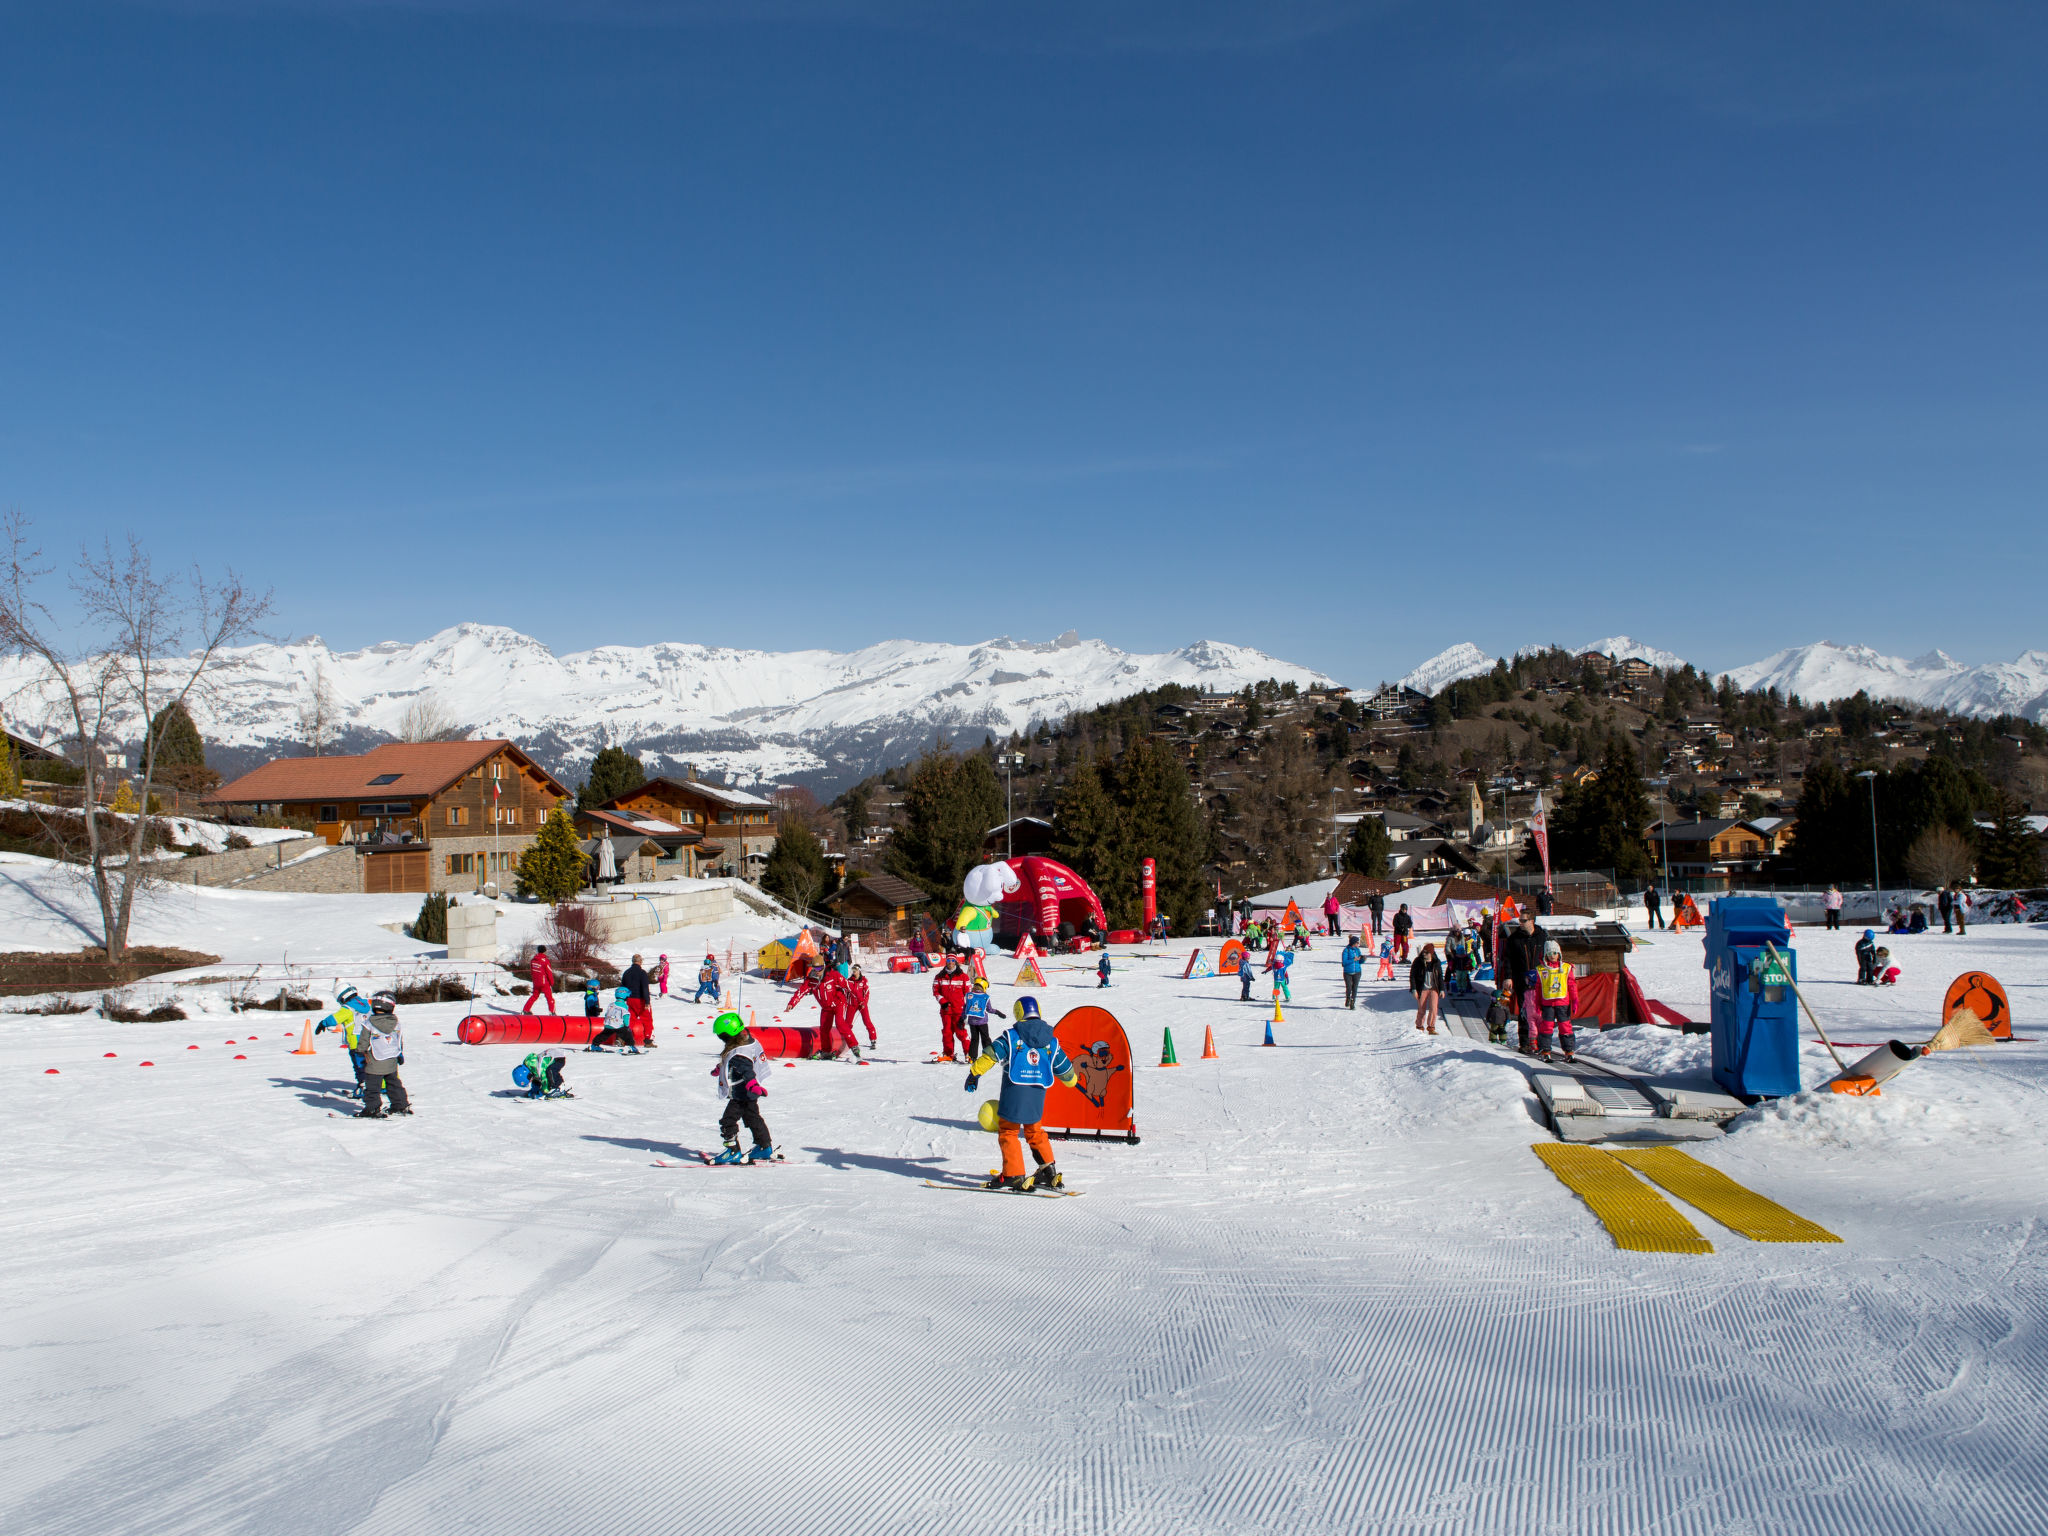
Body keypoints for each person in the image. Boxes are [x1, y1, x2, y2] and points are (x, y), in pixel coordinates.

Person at [965, 995, 1079, 1191]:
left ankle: (1013, 1174)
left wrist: (974, 1073)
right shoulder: (1051, 1041)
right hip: (1037, 1095)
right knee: (1035, 1131)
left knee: (1008, 1131)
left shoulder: (1011, 1036)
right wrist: (1073, 1080)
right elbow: (1067, 1073)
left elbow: (991, 1055)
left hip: (1014, 1093)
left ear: (1019, 1012)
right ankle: (1048, 1170)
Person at [709, 1011, 777, 1163]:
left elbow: (747, 1070)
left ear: (726, 1036)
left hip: (741, 1094)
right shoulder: (747, 1043)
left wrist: (752, 1084)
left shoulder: (739, 1053)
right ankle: (764, 1146)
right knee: (753, 1118)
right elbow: (729, 1062)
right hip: (749, 1094)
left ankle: (732, 1150)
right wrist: (719, 1070)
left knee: (728, 1120)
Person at [1501, 912, 1550, 1054]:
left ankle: (1541, 1043)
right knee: (1524, 1011)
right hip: (1522, 979)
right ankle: (1525, 1043)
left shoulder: (1542, 936)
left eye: (1523, 920)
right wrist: (1508, 977)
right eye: (1519, 920)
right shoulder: (1514, 938)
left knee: (1540, 1013)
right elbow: (1508, 959)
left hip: (1541, 980)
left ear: (1532, 921)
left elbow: (1549, 955)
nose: (1521, 923)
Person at [357, 991, 411, 1118]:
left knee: (372, 1087)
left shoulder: (369, 1024)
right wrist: (400, 1053)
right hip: (391, 1059)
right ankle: (400, 1104)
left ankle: (372, 1108)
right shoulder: (396, 1023)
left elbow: (363, 1042)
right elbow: (398, 1040)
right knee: (394, 1084)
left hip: (375, 1061)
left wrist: (360, 1054)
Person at [313, 984, 371, 1099]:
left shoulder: (348, 1008)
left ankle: (363, 1088)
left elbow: (334, 1019)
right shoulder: (367, 1004)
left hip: (356, 1043)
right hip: (371, 1041)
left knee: (360, 1067)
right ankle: (383, 1086)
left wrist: (323, 1023)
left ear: (343, 997)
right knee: (374, 1065)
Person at [1533, 941, 1578, 1063]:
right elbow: (1538, 987)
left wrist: (1575, 1000)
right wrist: (1537, 1004)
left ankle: (1569, 1051)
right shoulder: (1541, 969)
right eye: (1550, 953)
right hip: (1547, 1004)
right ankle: (1545, 1051)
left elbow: (1572, 985)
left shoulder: (1566, 968)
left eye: (1555, 953)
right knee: (1546, 1027)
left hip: (1562, 1003)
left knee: (1565, 1027)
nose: (1552, 955)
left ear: (1559, 954)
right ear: (1545, 955)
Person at [932, 955, 971, 1061]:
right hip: (946, 1011)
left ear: (956, 962)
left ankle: (969, 1053)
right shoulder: (939, 976)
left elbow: (969, 994)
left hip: (959, 1010)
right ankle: (949, 1054)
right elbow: (935, 991)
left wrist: (967, 1009)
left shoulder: (963, 976)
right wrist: (942, 1001)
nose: (950, 962)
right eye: (948, 960)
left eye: (952, 960)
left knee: (961, 1032)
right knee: (947, 1032)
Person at [589, 986, 643, 1053]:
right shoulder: (624, 1006)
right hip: (618, 1025)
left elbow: (607, 1014)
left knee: (603, 1035)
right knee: (628, 1035)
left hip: (608, 1024)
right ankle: (631, 1047)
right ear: (625, 996)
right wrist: (626, 1025)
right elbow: (626, 1016)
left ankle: (595, 1045)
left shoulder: (611, 1004)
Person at [622, 953, 656, 1049]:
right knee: (647, 1020)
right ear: (640, 962)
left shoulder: (626, 972)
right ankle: (648, 1040)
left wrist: (623, 999)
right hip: (639, 1000)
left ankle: (623, 1037)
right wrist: (647, 1001)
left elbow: (623, 987)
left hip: (629, 1000)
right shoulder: (642, 973)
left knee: (630, 1020)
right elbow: (645, 988)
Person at [1410, 943, 1444, 1035]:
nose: (1424, 954)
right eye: (1423, 952)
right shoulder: (1418, 961)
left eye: (1427, 952)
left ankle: (1431, 1027)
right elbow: (1412, 976)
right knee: (1422, 1008)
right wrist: (1414, 989)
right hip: (1422, 988)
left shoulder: (1436, 962)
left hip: (1434, 988)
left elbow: (1440, 976)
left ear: (1431, 953)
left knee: (1433, 1008)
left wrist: (1442, 989)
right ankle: (1419, 1026)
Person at [961, 977, 996, 1062]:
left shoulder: (969, 995)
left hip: (972, 1022)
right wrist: (997, 1012)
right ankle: (989, 1055)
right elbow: (989, 1009)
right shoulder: (985, 997)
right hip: (982, 1022)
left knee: (974, 1039)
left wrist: (962, 1018)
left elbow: (965, 1008)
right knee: (985, 1038)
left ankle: (972, 1057)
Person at [845, 964, 878, 1051]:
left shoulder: (863, 980)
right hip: (852, 1004)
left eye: (855, 970)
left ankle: (873, 1039)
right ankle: (846, 1040)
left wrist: (864, 1002)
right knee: (847, 1023)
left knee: (867, 1021)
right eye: (853, 970)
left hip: (862, 1004)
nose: (854, 972)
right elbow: (846, 993)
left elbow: (866, 992)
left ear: (859, 970)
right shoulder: (849, 981)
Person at [522, 944, 556, 1015]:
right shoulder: (545, 961)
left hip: (536, 982)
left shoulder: (533, 960)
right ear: (545, 951)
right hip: (544, 982)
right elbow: (549, 972)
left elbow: (532, 971)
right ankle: (552, 1012)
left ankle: (526, 1009)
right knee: (549, 998)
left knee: (534, 996)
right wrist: (551, 982)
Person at [1340, 933, 1363, 1009]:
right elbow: (1344, 963)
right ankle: (1348, 998)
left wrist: (1362, 959)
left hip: (1357, 971)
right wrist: (1353, 960)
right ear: (1353, 943)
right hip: (1348, 972)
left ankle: (1353, 1002)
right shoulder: (1346, 950)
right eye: (1357, 942)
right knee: (1349, 987)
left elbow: (1360, 961)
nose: (1358, 944)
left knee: (1355, 988)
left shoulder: (1357, 950)